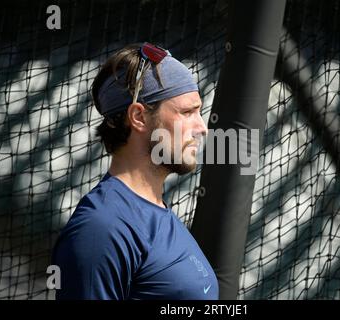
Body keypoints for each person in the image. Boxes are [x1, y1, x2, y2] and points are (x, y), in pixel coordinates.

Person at [51, 42, 218, 300]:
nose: (202, 127)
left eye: (199, 111)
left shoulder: (154, 211)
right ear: (139, 117)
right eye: (187, 112)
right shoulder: (102, 229)